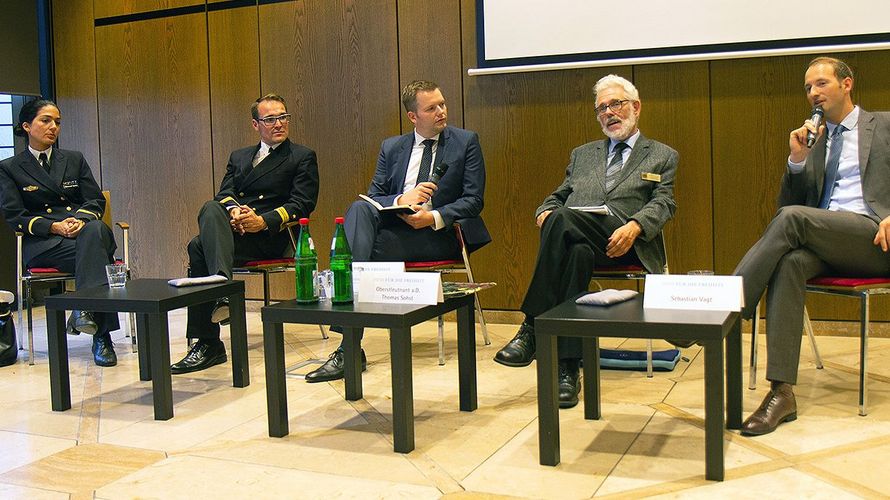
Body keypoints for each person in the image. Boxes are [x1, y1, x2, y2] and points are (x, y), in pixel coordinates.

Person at [494, 74, 678, 408]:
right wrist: (545, 210)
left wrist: (636, 225)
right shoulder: (583, 154)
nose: (609, 113)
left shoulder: (662, 155)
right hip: (582, 239)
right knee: (574, 248)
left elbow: (664, 202)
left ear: (635, 107)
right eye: (601, 108)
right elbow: (558, 196)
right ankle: (568, 369)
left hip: (625, 241)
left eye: (616, 104)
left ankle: (532, 326)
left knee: (564, 222)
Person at [734, 57, 890, 435]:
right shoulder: (814, 139)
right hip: (826, 239)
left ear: (847, 84)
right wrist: (798, 160)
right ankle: (782, 392)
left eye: (821, 84)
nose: (813, 93)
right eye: (808, 87)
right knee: (789, 262)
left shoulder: (884, 124)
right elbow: (789, 204)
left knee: (793, 220)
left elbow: (791, 217)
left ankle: (724, 306)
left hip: (875, 238)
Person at [305, 80, 488, 383]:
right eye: (432, 108)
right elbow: (373, 196)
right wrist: (401, 200)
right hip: (394, 233)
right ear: (413, 116)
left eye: (442, 104)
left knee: (356, 255)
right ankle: (349, 342)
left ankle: (347, 344)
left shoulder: (466, 142)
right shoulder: (392, 147)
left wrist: (432, 216)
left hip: (438, 235)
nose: (442, 111)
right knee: (358, 210)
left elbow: (473, 200)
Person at [170, 94, 319, 374]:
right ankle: (223, 289)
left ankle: (208, 342)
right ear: (255, 124)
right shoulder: (239, 157)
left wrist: (261, 221)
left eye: (283, 117)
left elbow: (303, 204)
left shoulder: (301, 156)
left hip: (271, 237)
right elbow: (225, 194)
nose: (279, 124)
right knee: (211, 207)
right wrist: (237, 214)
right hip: (237, 232)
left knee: (198, 246)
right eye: (270, 119)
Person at [0, 98, 120, 366]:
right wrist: (54, 226)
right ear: (27, 126)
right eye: (46, 120)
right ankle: (100, 335)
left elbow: (95, 201)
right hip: (45, 244)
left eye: (57, 122)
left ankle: (85, 312)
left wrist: (78, 220)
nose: (53, 127)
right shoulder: (9, 168)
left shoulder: (74, 160)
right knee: (98, 250)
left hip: (81, 234)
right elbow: (15, 216)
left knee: (95, 229)